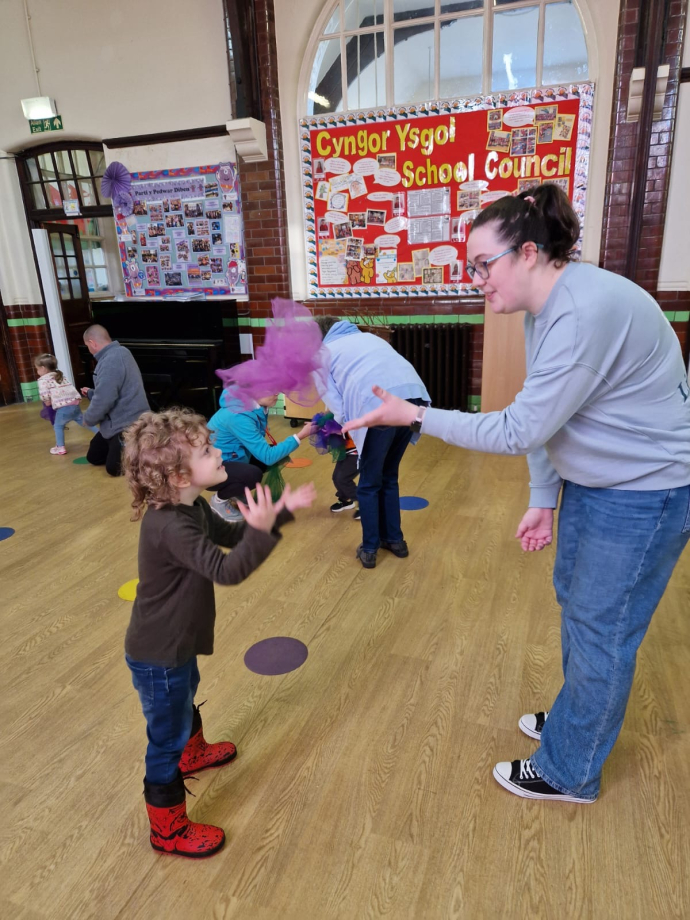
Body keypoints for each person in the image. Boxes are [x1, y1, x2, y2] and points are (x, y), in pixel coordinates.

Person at [343, 185, 690, 803]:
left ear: (528, 253)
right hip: (602, 482)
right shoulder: (543, 312)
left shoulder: (581, 312)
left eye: (484, 265)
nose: (477, 280)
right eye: (471, 268)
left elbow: (518, 428)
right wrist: (543, 495)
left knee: (601, 628)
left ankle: (570, 771)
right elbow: (546, 417)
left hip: (647, 490)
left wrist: (414, 415)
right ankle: (578, 721)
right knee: (577, 605)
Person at [122, 407, 316, 858]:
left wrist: (276, 515)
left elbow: (230, 536)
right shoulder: (170, 525)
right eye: (208, 451)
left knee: (184, 695)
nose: (219, 453)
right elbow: (227, 569)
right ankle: (167, 830)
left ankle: (193, 752)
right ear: (178, 476)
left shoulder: (190, 507)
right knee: (165, 737)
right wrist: (263, 530)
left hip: (176, 643)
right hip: (159, 652)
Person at [316, 317, 430, 569]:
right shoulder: (368, 337)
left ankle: (370, 548)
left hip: (378, 407)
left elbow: (338, 408)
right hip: (414, 401)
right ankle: (396, 541)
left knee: (368, 483)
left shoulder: (321, 354)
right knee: (388, 475)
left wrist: (348, 433)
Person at [206, 388, 313, 521]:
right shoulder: (238, 416)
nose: (277, 392)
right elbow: (268, 457)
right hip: (211, 471)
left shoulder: (254, 407)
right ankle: (219, 501)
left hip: (230, 458)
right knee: (253, 474)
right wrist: (300, 435)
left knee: (273, 457)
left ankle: (235, 492)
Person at [81, 325, 150, 476]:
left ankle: (140, 445)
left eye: (87, 346)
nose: (89, 350)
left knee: (114, 468)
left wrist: (88, 418)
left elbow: (104, 399)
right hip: (113, 424)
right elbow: (114, 388)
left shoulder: (111, 360)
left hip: (128, 424)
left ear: (92, 343)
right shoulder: (120, 352)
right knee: (94, 457)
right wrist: (91, 393)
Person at [35, 353, 98, 454]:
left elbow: (45, 395)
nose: (37, 371)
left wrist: (47, 402)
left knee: (58, 426)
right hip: (74, 404)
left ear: (43, 368)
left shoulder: (43, 380)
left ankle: (60, 447)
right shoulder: (60, 376)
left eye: (37, 369)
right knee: (83, 422)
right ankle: (102, 435)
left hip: (63, 408)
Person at [330, 432, 360, 520]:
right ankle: (346, 499)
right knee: (336, 477)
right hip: (345, 450)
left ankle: (364, 503)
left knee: (343, 479)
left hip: (356, 452)